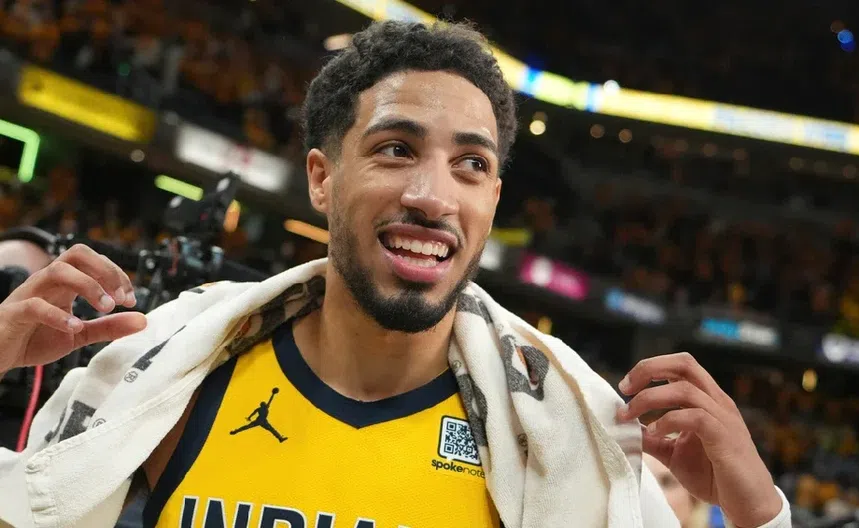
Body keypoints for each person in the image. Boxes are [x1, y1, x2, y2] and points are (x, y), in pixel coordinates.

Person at [0, 21, 790, 528]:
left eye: (471, 164)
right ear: (321, 178)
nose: (432, 197)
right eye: (395, 149)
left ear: (493, 198)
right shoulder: (171, 383)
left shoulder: (565, 439)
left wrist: (759, 513)